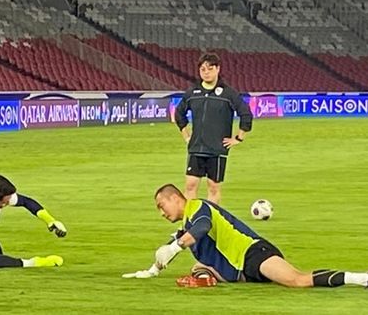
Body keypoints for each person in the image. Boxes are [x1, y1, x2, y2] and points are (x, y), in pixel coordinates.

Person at [122, 184, 368, 289]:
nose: (161, 212)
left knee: (297, 280)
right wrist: (153, 269)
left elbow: (201, 228)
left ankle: (359, 278)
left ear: (175, 198)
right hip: (239, 270)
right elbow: (176, 241)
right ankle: (207, 279)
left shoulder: (197, 207)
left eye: (160, 205)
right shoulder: (185, 223)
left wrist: (175, 247)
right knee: (199, 265)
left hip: (253, 253)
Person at [174, 53, 252, 204]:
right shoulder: (192, 93)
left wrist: (239, 138)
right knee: (190, 186)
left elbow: (246, 113)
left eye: (210, 68)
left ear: (218, 69)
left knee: (213, 187)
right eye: (203, 69)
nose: (206, 72)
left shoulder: (228, 93)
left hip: (217, 149)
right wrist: (186, 136)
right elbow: (179, 114)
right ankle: (190, 223)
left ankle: (211, 222)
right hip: (196, 148)